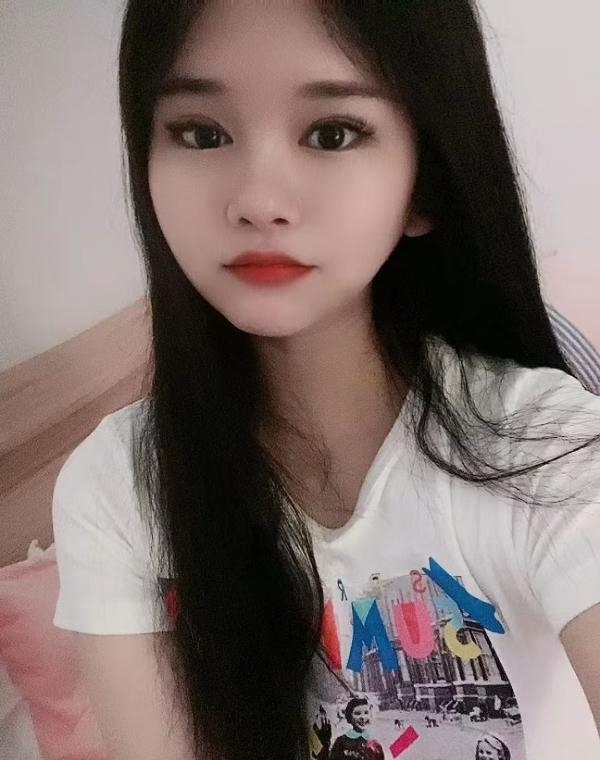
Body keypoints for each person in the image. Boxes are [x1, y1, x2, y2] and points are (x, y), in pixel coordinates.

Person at [50, 2, 600, 760]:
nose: (257, 201)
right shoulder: (118, 486)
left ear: (425, 183)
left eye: (332, 132)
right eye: (200, 133)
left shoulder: (547, 452)